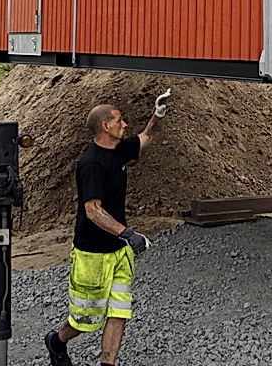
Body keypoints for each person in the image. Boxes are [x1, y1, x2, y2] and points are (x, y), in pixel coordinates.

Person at [45, 89, 170, 366]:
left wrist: (158, 112)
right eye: (119, 120)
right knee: (87, 318)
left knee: (119, 311)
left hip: (118, 252)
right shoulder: (91, 164)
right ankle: (57, 341)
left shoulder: (120, 151)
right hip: (92, 254)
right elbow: (93, 211)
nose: (125, 124)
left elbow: (149, 136)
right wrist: (128, 233)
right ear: (106, 126)